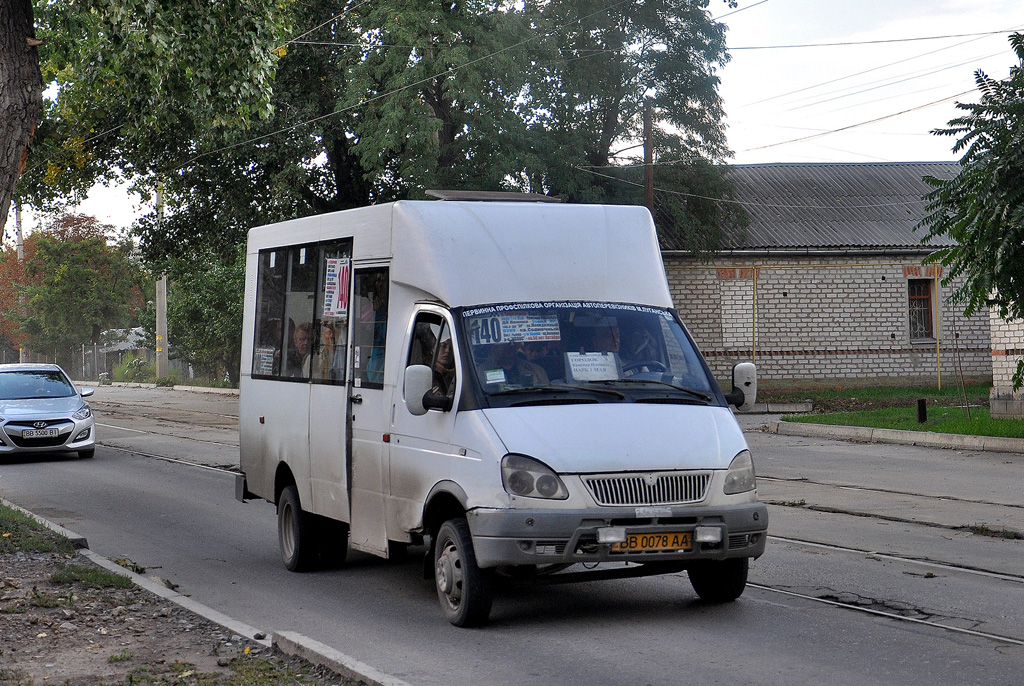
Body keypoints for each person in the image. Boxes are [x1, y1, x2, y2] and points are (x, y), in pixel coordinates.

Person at [478, 342, 549, 387]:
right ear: (493, 346)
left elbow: (546, 395)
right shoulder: (481, 371)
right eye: (504, 343)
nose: (510, 346)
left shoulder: (536, 370)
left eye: (512, 342)